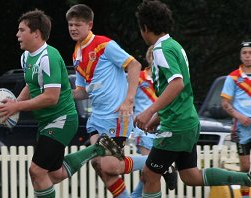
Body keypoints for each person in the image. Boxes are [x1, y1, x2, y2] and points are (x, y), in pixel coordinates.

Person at [0, 9, 124, 198]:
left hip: (62, 119)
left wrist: (17, 107)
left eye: (21, 30)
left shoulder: (49, 57)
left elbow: (51, 97)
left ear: (36, 33)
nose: (17, 34)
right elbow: (32, 84)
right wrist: (16, 100)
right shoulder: (26, 57)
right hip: (46, 121)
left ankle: (99, 148)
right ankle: (98, 148)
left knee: (36, 171)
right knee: (55, 174)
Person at [134, 1, 251, 198]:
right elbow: (181, 90)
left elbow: (177, 84)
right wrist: (159, 117)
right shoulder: (175, 46)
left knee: (149, 175)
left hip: (176, 126)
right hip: (186, 121)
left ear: (145, 28)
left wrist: (149, 111)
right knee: (191, 176)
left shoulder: (161, 49)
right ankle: (247, 179)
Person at [66, 4, 150, 198]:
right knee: (99, 164)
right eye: (70, 24)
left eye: (78, 24)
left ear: (90, 25)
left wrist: (129, 100)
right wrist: (59, 94)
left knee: (109, 164)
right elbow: (81, 92)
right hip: (96, 118)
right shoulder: (76, 53)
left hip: (116, 116)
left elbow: (135, 65)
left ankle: (155, 161)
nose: (73, 28)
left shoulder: (105, 44)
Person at [131, 46, 177, 197]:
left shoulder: (165, 80)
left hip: (161, 127)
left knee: (150, 171)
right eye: (152, 55)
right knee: (149, 167)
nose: (154, 57)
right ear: (148, 57)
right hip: (142, 128)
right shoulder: (138, 77)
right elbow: (128, 100)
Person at [221, 40, 251, 198]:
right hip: (242, 128)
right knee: (245, 167)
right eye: (244, 53)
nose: (248, 56)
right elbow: (224, 103)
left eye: (250, 53)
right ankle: (245, 196)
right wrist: (240, 116)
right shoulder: (233, 77)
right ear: (240, 56)